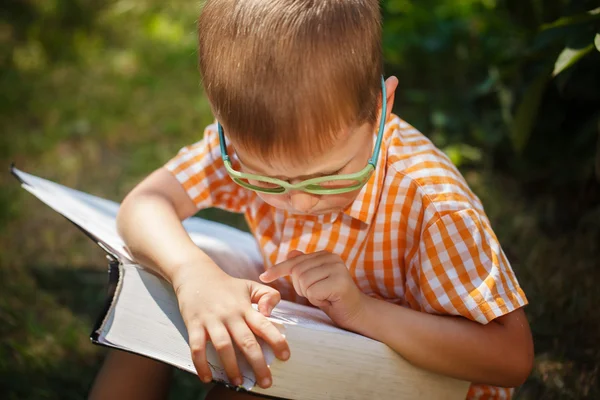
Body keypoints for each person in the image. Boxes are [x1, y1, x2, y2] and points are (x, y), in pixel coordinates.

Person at [88, 1, 534, 399]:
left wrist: (362, 312)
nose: (298, 204)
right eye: (268, 181)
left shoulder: (433, 204)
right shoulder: (243, 149)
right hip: (313, 342)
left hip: (426, 377)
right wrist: (192, 276)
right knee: (151, 290)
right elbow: (146, 202)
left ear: (381, 109)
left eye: (328, 176)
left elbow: (511, 358)